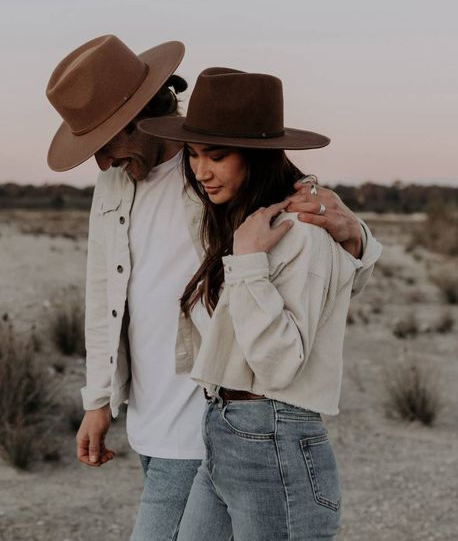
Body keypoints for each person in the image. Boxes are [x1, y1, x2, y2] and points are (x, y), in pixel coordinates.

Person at [45, 35, 381, 541]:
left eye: (104, 144)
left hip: (208, 413)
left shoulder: (227, 175)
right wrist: (97, 400)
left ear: (136, 120)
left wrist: (356, 238)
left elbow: (314, 269)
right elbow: (104, 297)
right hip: (150, 414)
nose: (101, 162)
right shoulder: (115, 186)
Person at [138, 67, 380, 541]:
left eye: (217, 155)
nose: (200, 171)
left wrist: (247, 263)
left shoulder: (298, 234)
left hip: (275, 437)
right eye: (193, 154)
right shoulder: (244, 222)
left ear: (257, 156)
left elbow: (278, 363)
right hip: (225, 429)